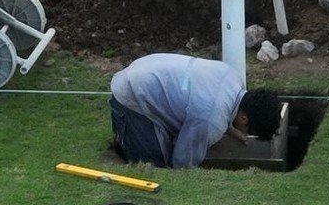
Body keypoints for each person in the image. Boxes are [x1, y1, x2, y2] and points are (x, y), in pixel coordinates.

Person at [109, 53, 285, 168]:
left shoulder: (233, 77)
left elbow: (215, 105)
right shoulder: (211, 120)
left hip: (146, 67)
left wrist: (230, 129)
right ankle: (125, 138)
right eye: (248, 130)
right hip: (132, 93)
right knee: (155, 166)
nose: (245, 133)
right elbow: (182, 163)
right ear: (245, 119)